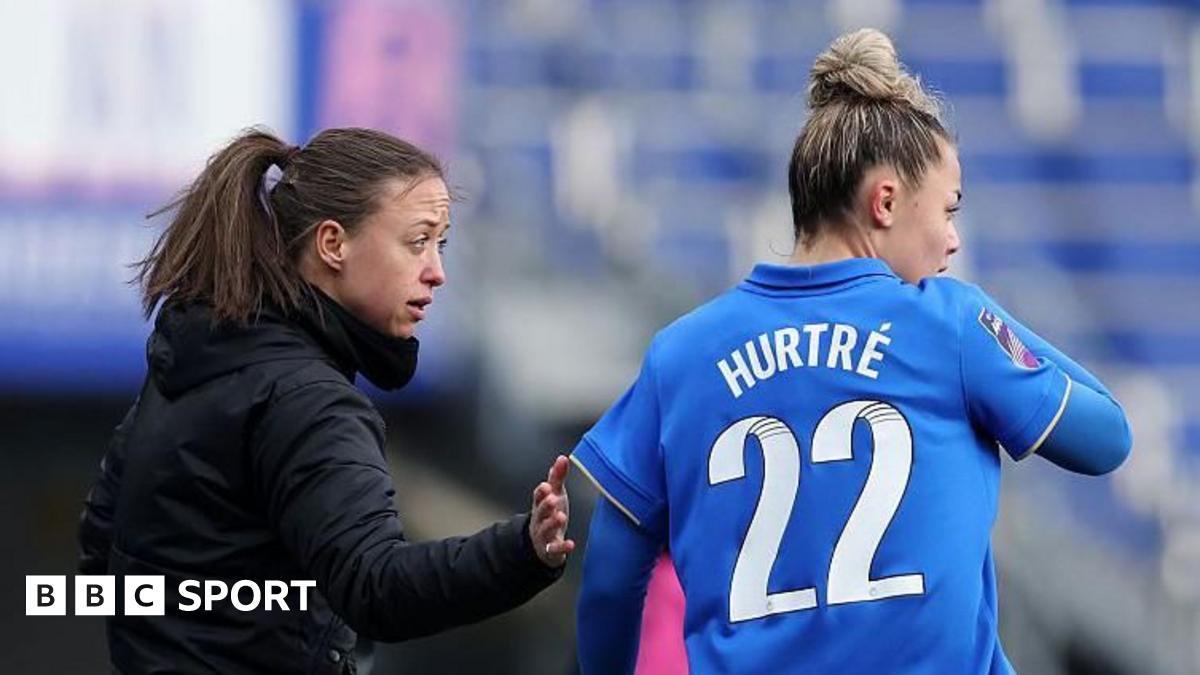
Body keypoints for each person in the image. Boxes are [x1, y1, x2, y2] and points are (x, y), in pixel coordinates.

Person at [571, 28, 1132, 674]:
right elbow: (1106, 436)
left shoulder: (681, 355)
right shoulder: (948, 324)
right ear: (885, 201)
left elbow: (610, 578)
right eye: (948, 210)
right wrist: (982, 318)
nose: (952, 240)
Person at [77, 127, 575, 674]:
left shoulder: (194, 360)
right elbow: (377, 587)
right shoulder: (309, 401)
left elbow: (102, 550)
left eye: (442, 243)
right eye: (417, 241)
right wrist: (522, 550)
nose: (437, 272)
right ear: (333, 244)